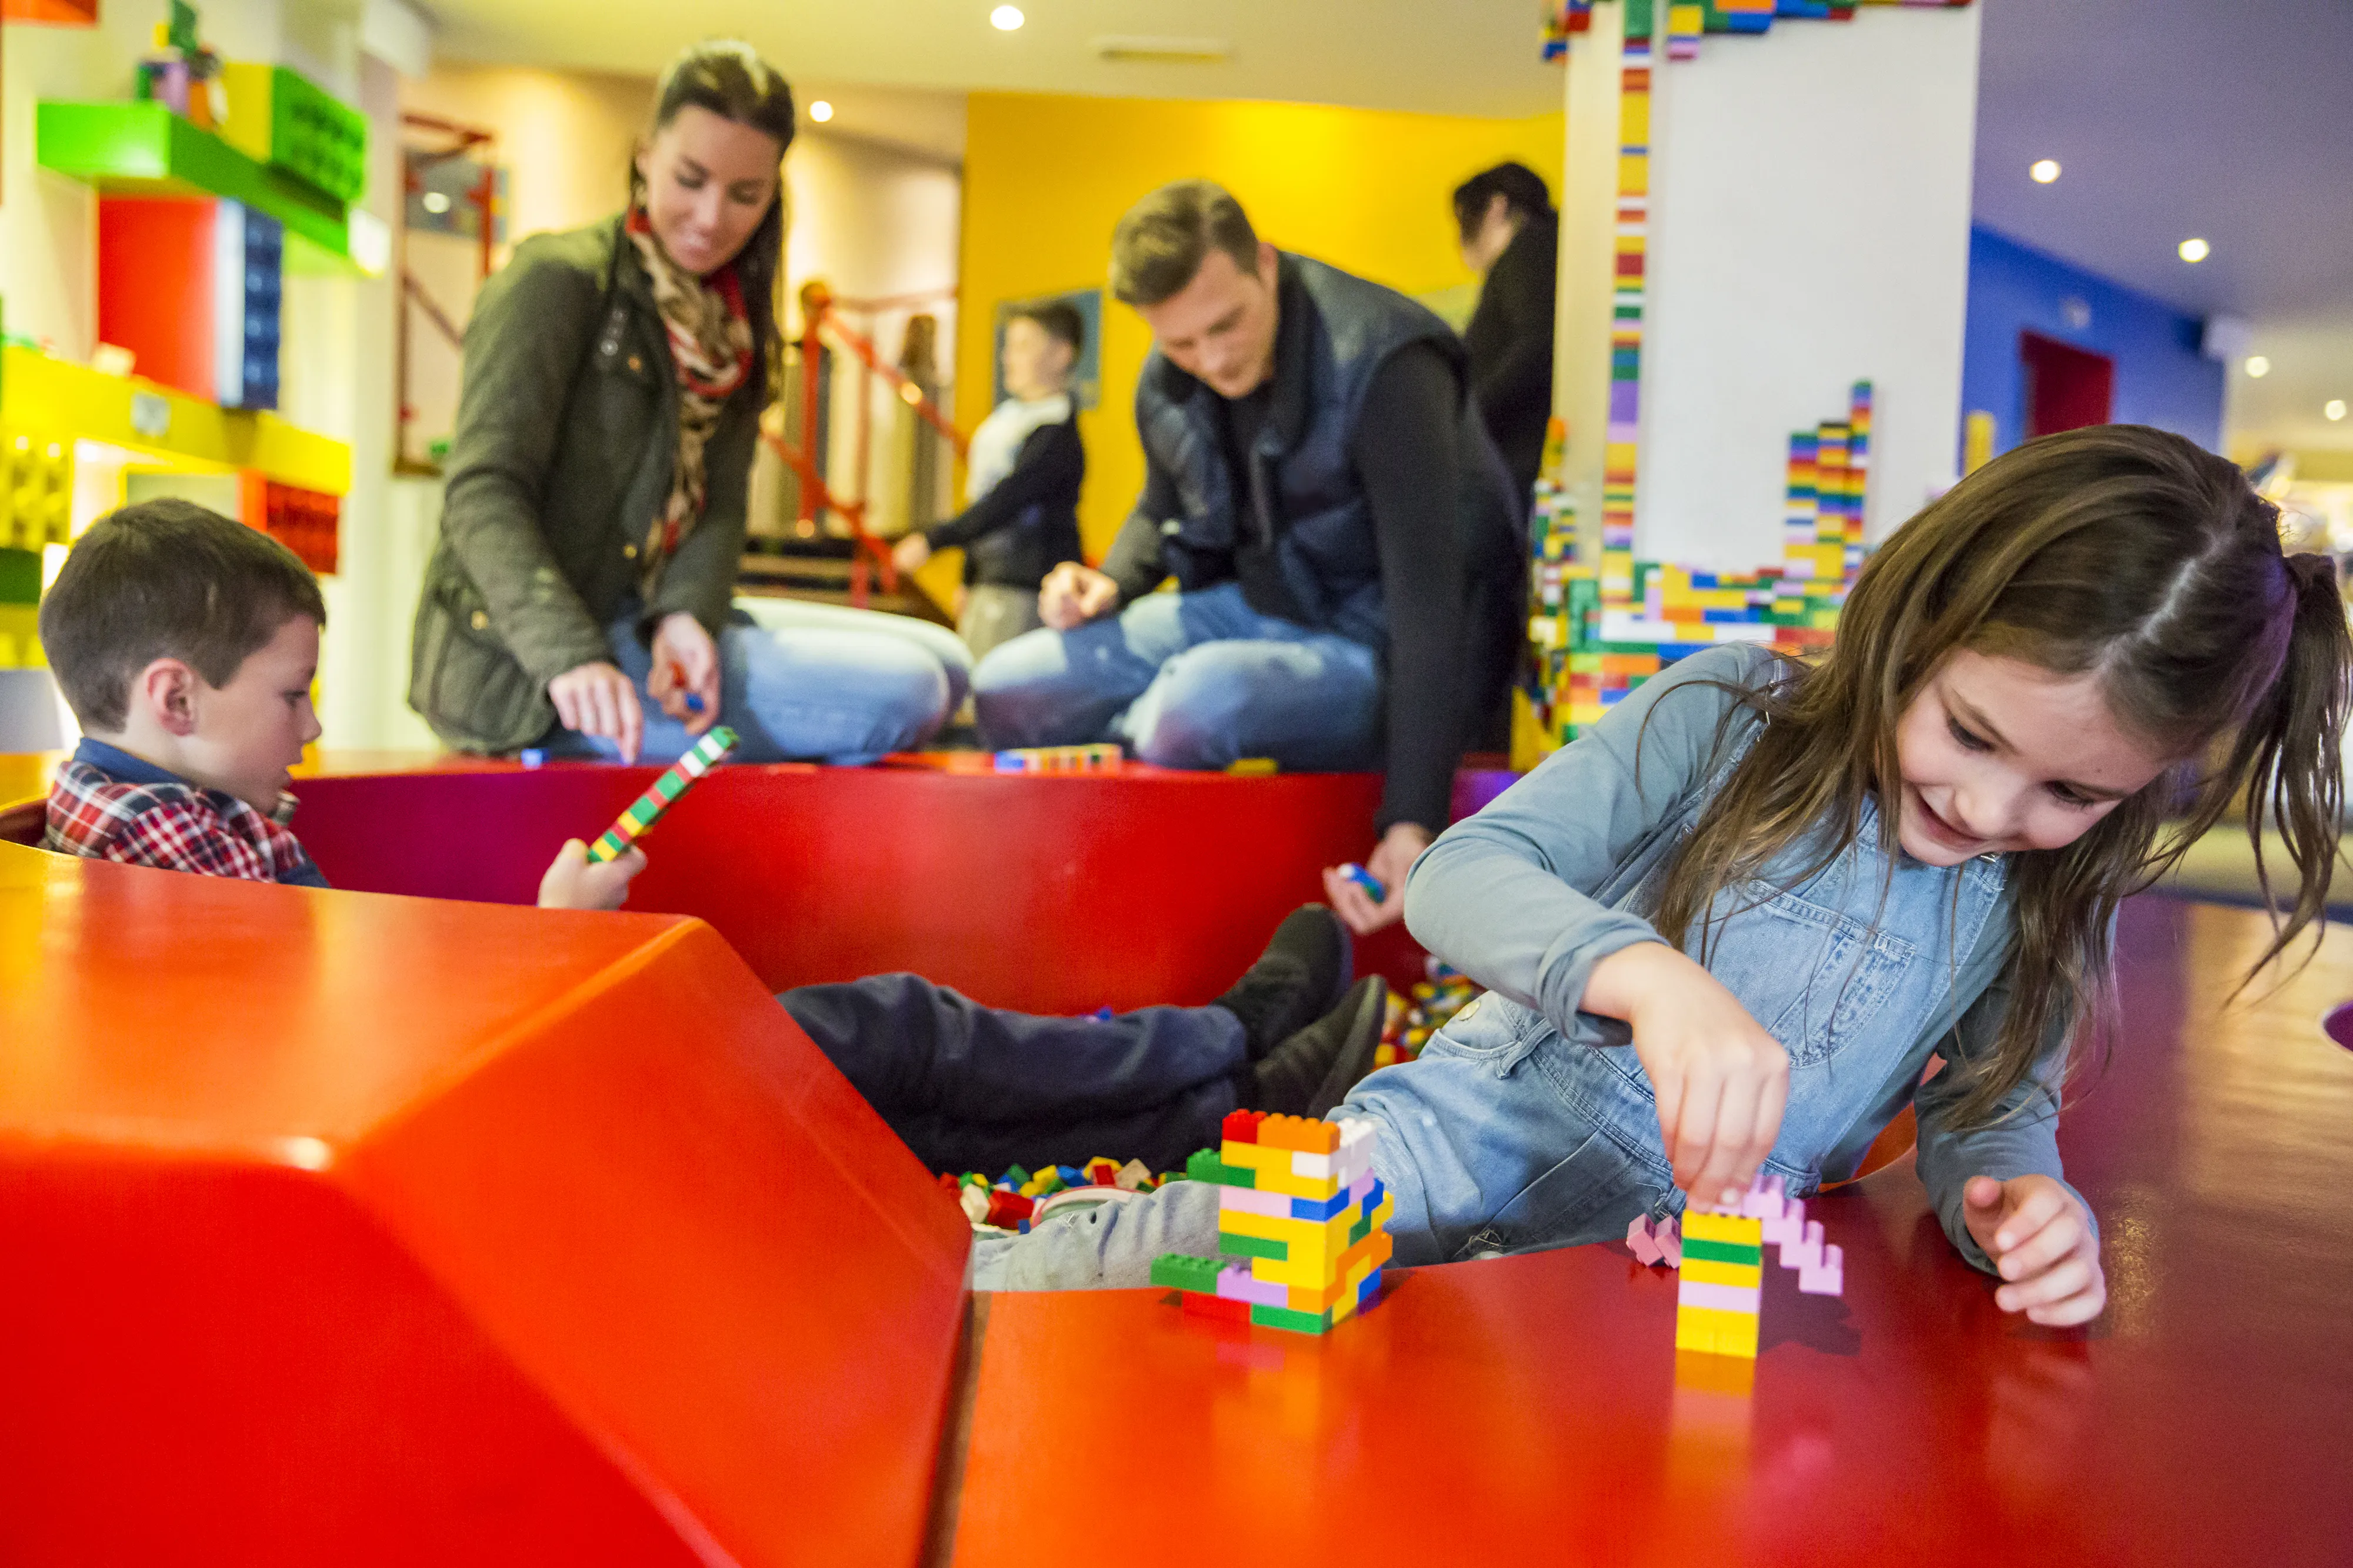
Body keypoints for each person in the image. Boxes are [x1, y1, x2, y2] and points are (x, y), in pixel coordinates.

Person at [968, 425, 2350, 1329]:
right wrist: (1648, 976)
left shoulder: (2048, 899)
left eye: (2071, 792)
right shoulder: (1730, 714)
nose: (1986, 807)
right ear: (1914, 620)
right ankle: (1008, 1264)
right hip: (1434, 1152)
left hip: (1625, 1280)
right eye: (1970, 733)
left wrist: (2018, 1206)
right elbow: (1462, 873)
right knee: (1159, 1278)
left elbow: (1991, 1114)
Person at [43, 498, 1385, 1177]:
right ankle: (1228, 1038)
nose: (311, 723)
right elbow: (343, 1045)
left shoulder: (154, 814)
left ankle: (1230, 1087)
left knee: (891, 1091)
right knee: (894, 1030)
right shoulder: (179, 853)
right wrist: (549, 951)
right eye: (288, 695)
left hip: (497, 1118)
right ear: (172, 693)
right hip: (516, 1139)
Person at [971, 182, 1527, 938]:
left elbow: (1432, 601)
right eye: (1180, 343)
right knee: (1007, 683)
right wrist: (1110, 579)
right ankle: (1125, 732)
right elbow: (1161, 503)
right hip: (1251, 607)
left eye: (1226, 324)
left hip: (1374, 645)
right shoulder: (1170, 377)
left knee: (1194, 702)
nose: (1212, 358)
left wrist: (1411, 821)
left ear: (1263, 263)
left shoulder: (1386, 360)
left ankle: (1130, 729)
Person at [410, 39, 968, 768]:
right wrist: (569, 656)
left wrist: (686, 617)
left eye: (745, 194)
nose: (711, 217)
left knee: (947, 659)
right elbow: (482, 492)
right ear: (645, 155)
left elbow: (719, 503)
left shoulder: (733, 317)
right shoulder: (557, 278)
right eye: (690, 178)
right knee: (907, 691)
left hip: (640, 615)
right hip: (531, 659)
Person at [893, 301, 1086, 663]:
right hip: (992, 582)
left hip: (1026, 587)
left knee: (998, 695)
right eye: (1008, 346)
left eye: (1024, 346)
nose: (1008, 358)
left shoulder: (1057, 433)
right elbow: (981, 498)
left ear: (1062, 354)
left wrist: (934, 539)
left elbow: (1007, 500)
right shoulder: (1008, 420)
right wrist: (969, 576)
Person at [1453, 161, 1560, 513]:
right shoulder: (1546, 250)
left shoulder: (1529, 249)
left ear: (1497, 208)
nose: (1461, 237)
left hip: (1516, 460)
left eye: (1465, 218)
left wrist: (1464, 419)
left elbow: (1537, 347)